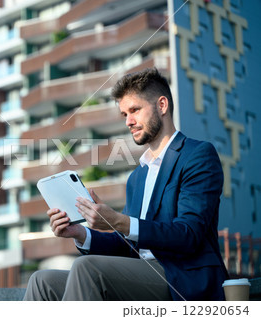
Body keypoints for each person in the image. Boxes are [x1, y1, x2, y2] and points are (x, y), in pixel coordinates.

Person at [23, 68, 229, 301]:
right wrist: (80, 233)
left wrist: (117, 221)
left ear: (162, 106)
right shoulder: (137, 178)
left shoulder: (197, 155)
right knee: (42, 281)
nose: (129, 121)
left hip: (182, 278)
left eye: (135, 110)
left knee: (86, 268)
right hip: (140, 275)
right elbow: (128, 245)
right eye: (124, 114)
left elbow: (189, 234)